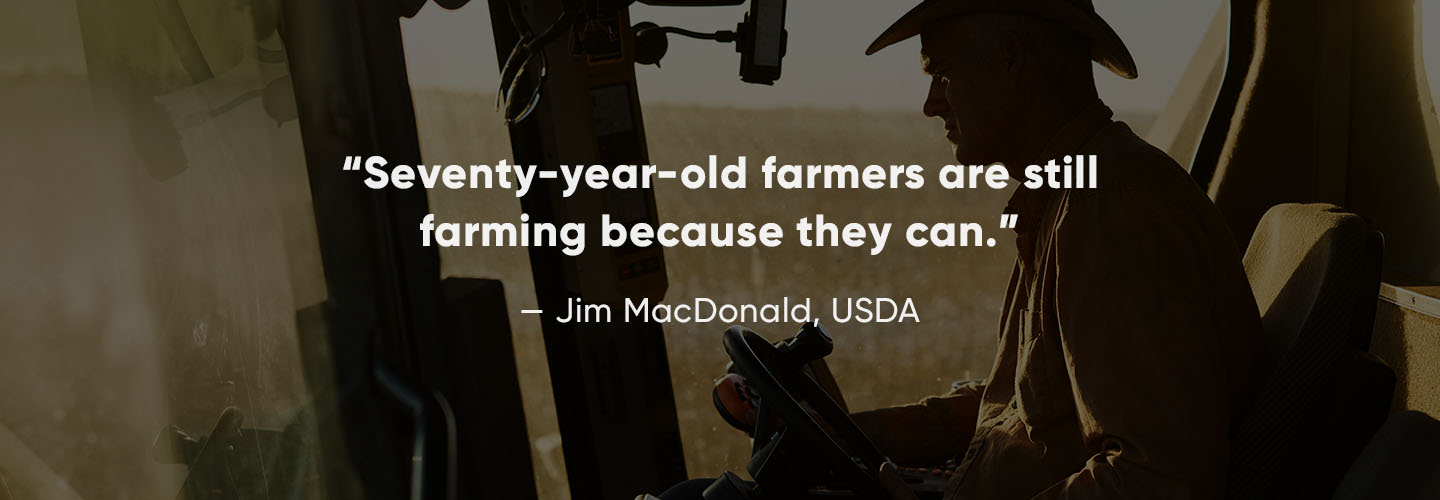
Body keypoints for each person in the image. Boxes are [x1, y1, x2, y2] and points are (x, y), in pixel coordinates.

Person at [658, 0, 1273, 498]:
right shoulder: (1065, 200)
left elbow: (1159, 480)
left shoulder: (1113, 211)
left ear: (1009, 57)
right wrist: (851, 434)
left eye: (941, 71)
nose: (931, 103)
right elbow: (1021, 413)